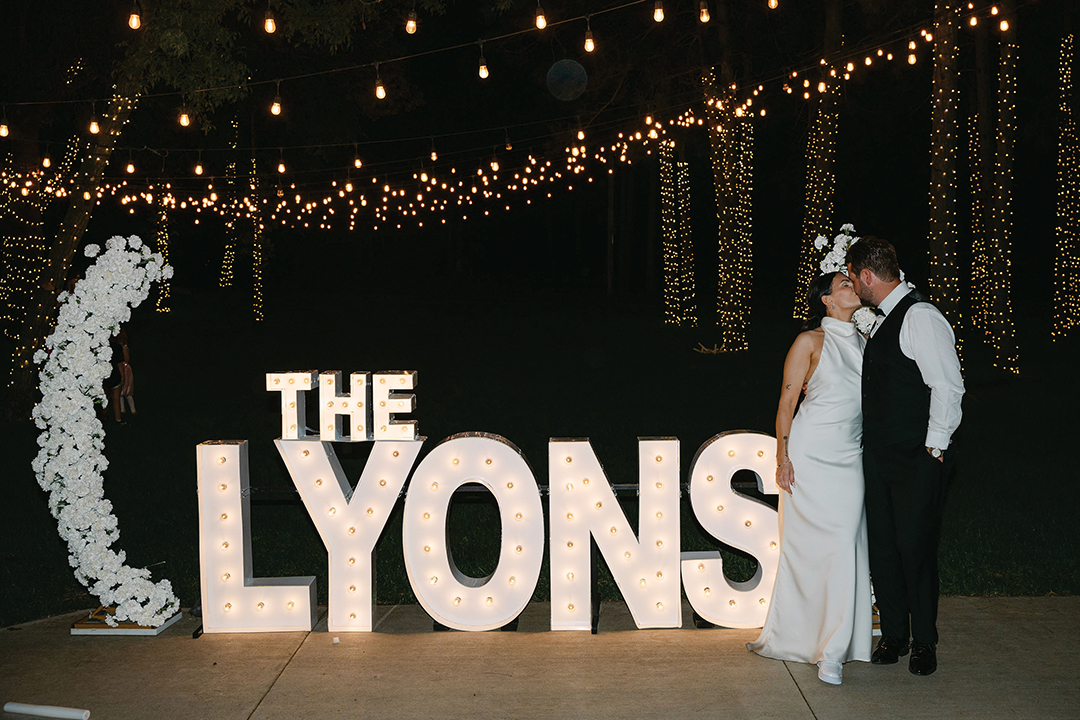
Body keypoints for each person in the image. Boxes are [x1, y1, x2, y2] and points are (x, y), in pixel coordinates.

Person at [748, 271, 873, 686]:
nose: (852, 287)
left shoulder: (869, 341)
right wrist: (782, 456)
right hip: (809, 454)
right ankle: (817, 646)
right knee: (807, 551)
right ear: (826, 299)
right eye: (843, 283)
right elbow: (786, 401)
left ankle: (836, 646)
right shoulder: (809, 342)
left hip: (849, 457)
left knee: (844, 546)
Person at [846, 237, 964, 677]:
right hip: (879, 457)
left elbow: (948, 387)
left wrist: (933, 449)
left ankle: (924, 642)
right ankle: (894, 635)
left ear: (867, 276)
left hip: (917, 457)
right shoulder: (882, 319)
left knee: (915, 548)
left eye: (854, 276)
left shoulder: (920, 316)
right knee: (884, 549)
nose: (854, 284)